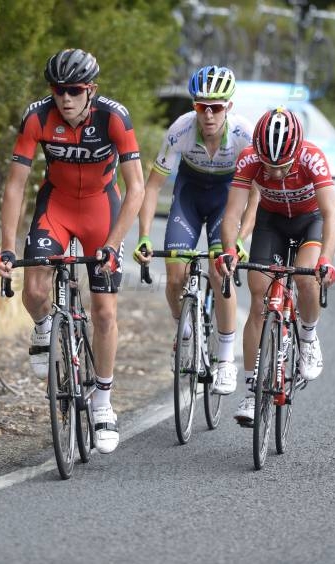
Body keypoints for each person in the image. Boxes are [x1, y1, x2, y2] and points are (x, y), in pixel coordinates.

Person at [0, 49, 144, 454]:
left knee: (105, 311)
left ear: (90, 90)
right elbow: (15, 185)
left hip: (101, 209)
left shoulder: (114, 117)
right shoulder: (37, 117)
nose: (66, 98)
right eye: (59, 90)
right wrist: (7, 249)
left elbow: (137, 189)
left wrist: (112, 245)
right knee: (35, 291)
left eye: (74, 90)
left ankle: (103, 405)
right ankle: (44, 330)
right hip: (57, 206)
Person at [133, 65, 257, 395]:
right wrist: (144, 234)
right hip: (188, 196)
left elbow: (255, 191)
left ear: (228, 106)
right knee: (175, 274)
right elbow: (153, 187)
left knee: (220, 272)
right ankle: (183, 329)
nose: (209, 114)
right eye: (202, 106)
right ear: (194, 107)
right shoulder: (179, 132)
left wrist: (242, 237)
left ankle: (226, 360)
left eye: (216, 107)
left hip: (225, 200)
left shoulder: (245, 135)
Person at [216, 107, 335, 426]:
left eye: (281, 166)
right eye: (267, 165)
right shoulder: (249, 160)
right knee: (259, 297)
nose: (271, 173)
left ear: (296, 153)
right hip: (271, 222)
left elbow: (331, 216)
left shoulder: (312, 158)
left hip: (309, 221)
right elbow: (232, 215)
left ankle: (309, 337)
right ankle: (251, 390)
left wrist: (326, 259)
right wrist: (229, 250)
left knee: (305, 278)